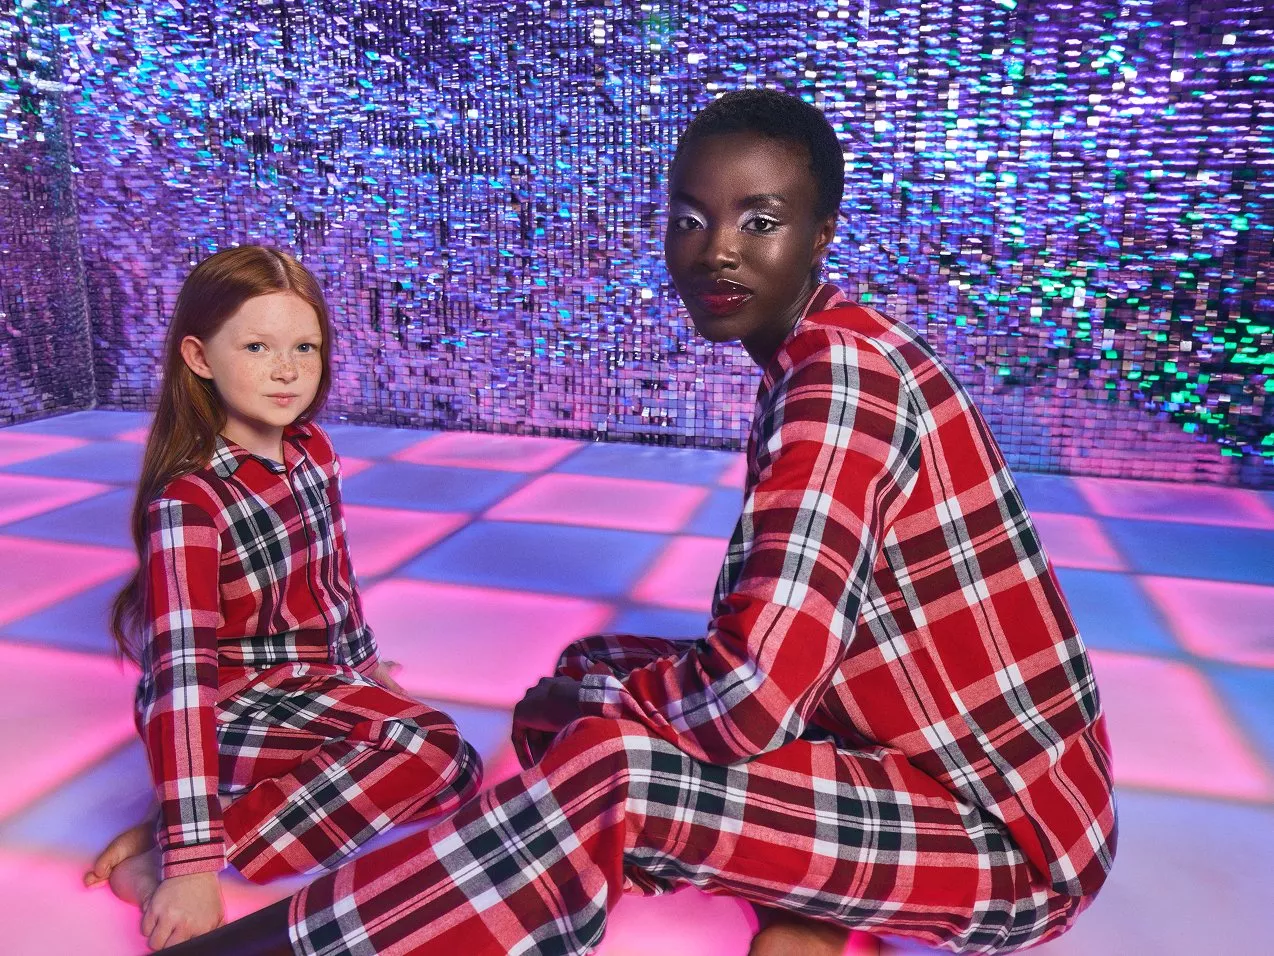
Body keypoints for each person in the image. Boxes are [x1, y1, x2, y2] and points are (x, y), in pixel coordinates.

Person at [170, 89, 1116, 956]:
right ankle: (797, 896)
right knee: (578, 684)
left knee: (610, 764)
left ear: (820, 234)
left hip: (1007, 835)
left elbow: (754, 694)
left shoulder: (837, 381)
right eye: (690, 221)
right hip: (889, 746)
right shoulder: (831, 349)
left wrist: (614, 735)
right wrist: (599, 707)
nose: (717, 251)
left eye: (760, 222)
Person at [83, 245, 483, 951]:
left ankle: (191, 817)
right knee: (427, 748)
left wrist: (366, 670)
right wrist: (191, 869)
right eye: (257, 347)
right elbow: (181, 679)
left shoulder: (311, 451)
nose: (287, 369)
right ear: (200, 359)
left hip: (303, 683)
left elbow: (332, 578)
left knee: (458, 775)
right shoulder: (190, 502)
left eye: (305, 347)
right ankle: (178, 845)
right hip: (225, 707)